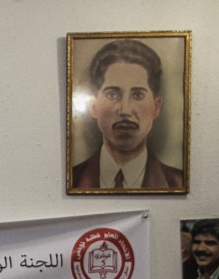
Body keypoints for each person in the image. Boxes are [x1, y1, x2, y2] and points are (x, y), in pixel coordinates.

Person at [70, 39, 184, 190]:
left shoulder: (178, 183)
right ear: (93, 106)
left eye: (137, 95)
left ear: (156, 107)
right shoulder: (71, 180)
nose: (125, 110)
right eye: (112, 94)